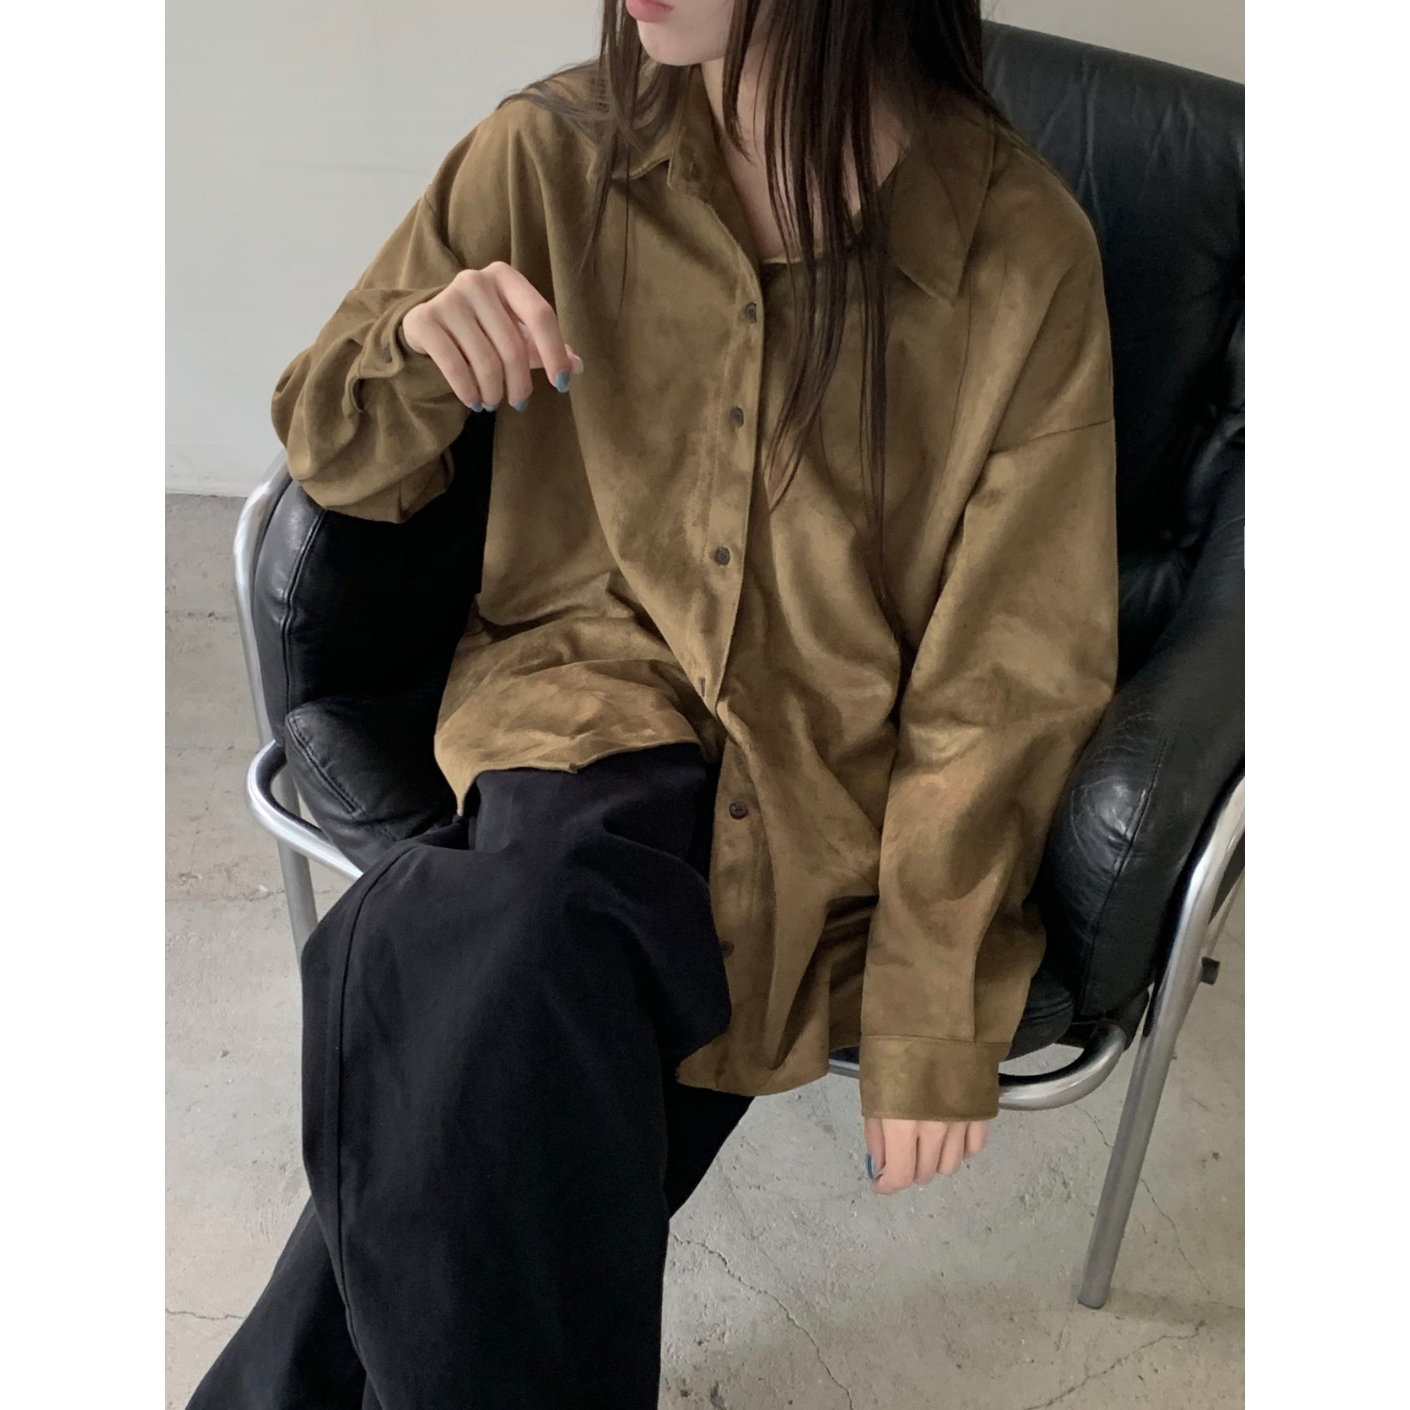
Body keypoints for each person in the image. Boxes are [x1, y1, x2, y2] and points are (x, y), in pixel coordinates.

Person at [189, 1, 1120, 1406]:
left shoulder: (1018, 254)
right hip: (571, 706)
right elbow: (334, 451)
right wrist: (417, 351)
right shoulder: (546, 156)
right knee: (540, 916)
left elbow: (1009, 672)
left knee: (497, 973)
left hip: (816, 773)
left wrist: (931, 1002)